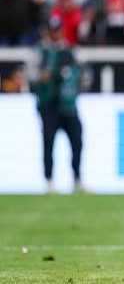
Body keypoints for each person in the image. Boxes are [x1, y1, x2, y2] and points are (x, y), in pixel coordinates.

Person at [33, 17, 84, 194]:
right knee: (48, 142)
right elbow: (32, 76)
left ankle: (77, 179)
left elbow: (81, 75)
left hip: (68, 104)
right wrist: (43, 76)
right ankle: (49, 181)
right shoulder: (42, 51)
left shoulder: (69, 50)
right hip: (49, 104)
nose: (56, 33)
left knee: (77, 141)